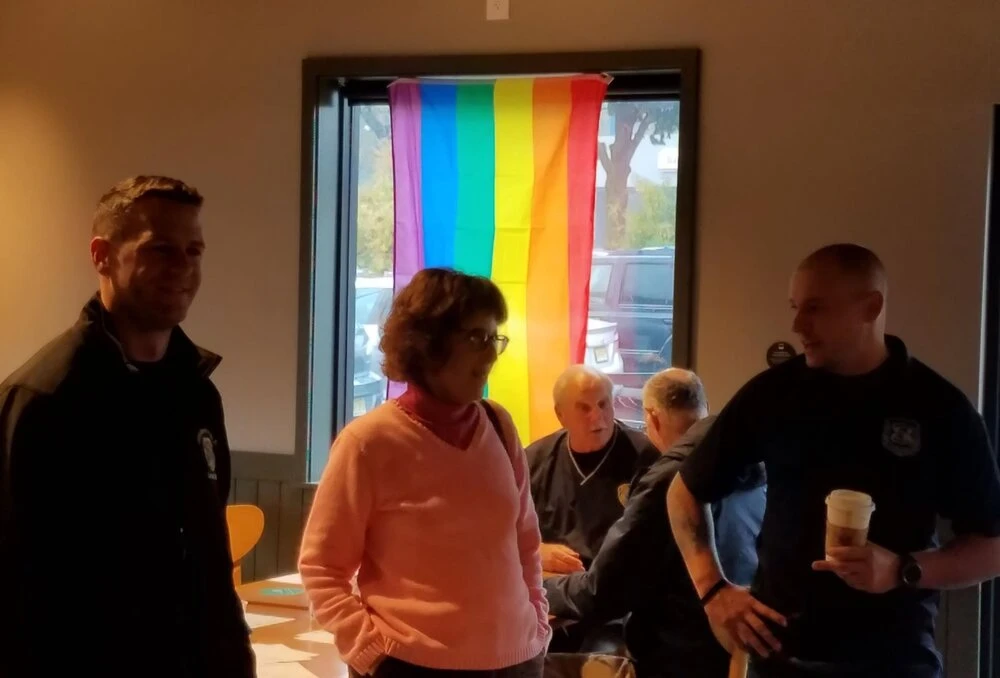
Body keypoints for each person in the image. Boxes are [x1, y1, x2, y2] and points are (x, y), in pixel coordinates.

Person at [667, 244, 1000, 678]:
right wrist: (712, 590)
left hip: (893, 661)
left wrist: (903, 569)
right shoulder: (774, 395)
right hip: (779, 657)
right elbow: (684, 492)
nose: (797, 324)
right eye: (795, 308)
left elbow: (991, 547)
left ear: (871, 307)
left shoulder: (938, 408)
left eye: (815, 308)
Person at [0, 176, 253, 676]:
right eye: (160, 249)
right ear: (102, 255)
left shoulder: (197, 393)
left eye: (194, 250)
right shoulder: (45, 399)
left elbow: (209, 558)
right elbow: (13, 586)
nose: (182, 268)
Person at [299, 268, 550, 678]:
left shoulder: (500, 426)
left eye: (495, 338)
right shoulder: (369, 442)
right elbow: (322, 568)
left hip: (517, 661)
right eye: (477, 338)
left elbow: (525, 542)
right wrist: (371, 651)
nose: (491, 354)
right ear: (428, 343)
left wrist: (537, 624)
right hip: (410, 666)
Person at [545, 369, 766, 678]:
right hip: (734, 652)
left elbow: (603, 590)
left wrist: (540, 587)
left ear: (653, 416)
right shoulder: (747, 462)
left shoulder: (669, 478)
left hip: (674, 656)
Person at [527, 365, 660, 575]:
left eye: (603, 404)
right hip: (550, 585)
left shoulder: (646, 458)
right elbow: (506, 531)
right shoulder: (534, 460)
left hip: (615, 587)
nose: (597, 417)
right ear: (560, 415)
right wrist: (536, 550)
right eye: (584, 408)